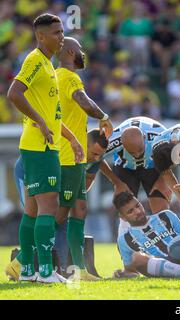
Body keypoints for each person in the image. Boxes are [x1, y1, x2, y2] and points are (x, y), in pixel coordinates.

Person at [7, 13, 83, 283]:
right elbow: (13, 92)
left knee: (31, 209)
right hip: (40, 148)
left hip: (38, 145)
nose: (61, 36)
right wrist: (40, 121)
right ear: (40, 36)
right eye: (55, 32)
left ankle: (27, 270)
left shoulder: (49, 65)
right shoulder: (35, 61)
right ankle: (46, 272)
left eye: (62, 31)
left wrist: (72, 139)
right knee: (48, 208)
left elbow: (53, 115)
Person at [5, 129, 109, 281]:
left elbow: (84, 185)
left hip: (59, 174)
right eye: (94, 153)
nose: (96, 158)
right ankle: (22, 265)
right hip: (27, 171)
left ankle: (74, 270)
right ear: (83, 144)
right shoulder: (64, 150)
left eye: (100, 155)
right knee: (39, 215)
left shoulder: (92, 158)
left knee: (71, 212)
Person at [52, 37, 113, 281]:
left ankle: (80, 270)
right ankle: (27, 259)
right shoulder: (69, 77)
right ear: (68, 52)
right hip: (67, 155)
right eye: (79, 49)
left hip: (72, 155)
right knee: (60, 213)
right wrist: (104, 116)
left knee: (79, 208)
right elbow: (83, 101)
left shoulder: (57, 76)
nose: (82, 53)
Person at [113, 192, 180, 279]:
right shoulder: (124, 240)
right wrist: (122, 273)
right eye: (130, 211)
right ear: (123, 217)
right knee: (137, 258)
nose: (138, 211)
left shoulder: (166, 215)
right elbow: (132, 271)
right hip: (160, 267)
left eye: (138, 206)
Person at [105, 117, 172, 215]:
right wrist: (117, 182)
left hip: (154, 166)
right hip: (126, 168)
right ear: (122, 144)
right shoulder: (112, 140)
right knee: (126, 206)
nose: (137, 155)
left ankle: (163, 227)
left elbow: (174, 157)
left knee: (161, 206)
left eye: (140, 151)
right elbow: (95, 158)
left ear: (144, 138)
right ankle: (126, 228)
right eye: (132, 152)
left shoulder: (161, 137)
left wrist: (162, 180)